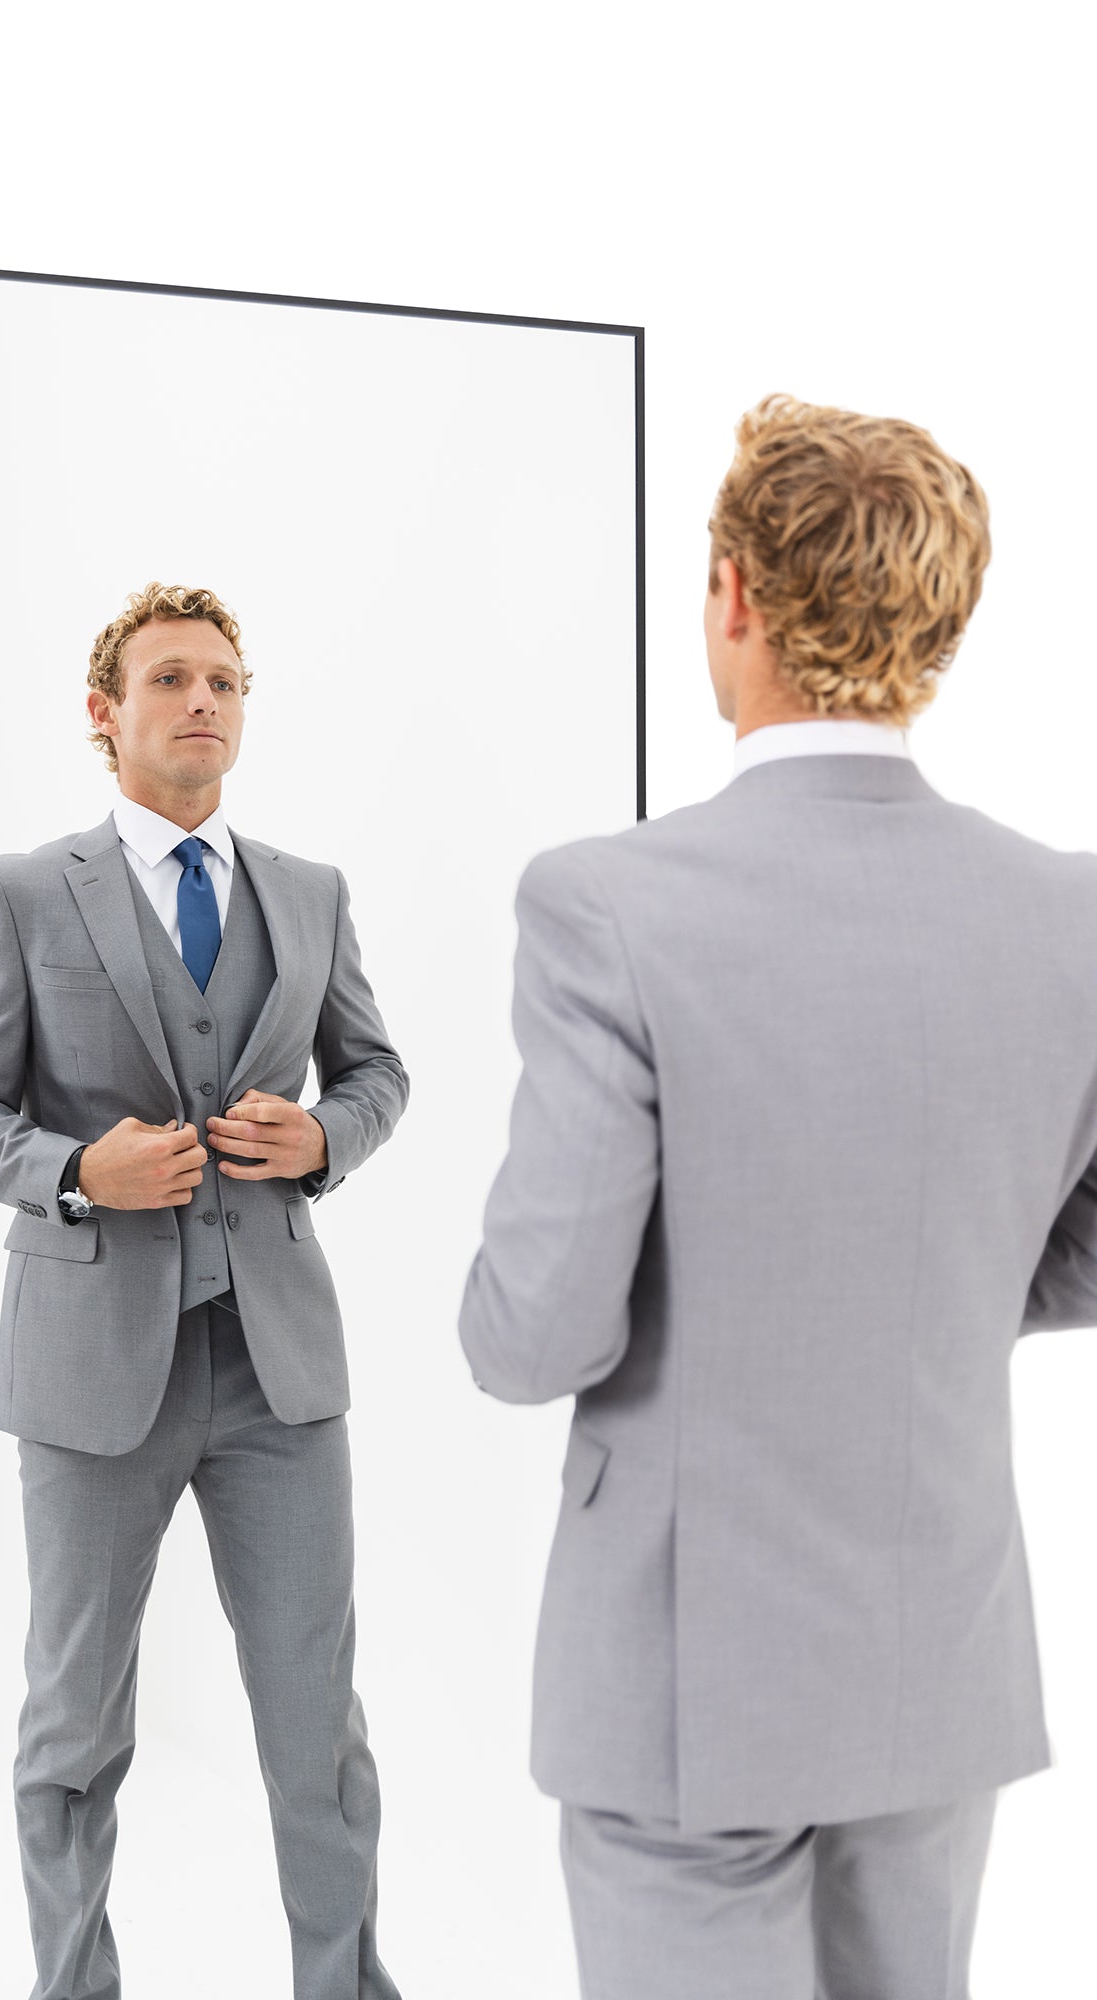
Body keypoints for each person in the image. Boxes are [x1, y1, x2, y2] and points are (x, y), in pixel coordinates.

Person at [459, 394, 1097, 2000]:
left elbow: (533, 1333)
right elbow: (1074, 1257)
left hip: (690, 1682)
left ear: (733, 600)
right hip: (937, 1655)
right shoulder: (1071, 916)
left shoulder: (607, 905)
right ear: (938, 628)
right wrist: (917, 1284)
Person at [0, 581, 407, 2000]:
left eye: (226, 681)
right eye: (171, 679)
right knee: (74, 1724)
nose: (204, 700)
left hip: (280, 1374)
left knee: (318, 1723)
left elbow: (376, 1073)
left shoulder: (309, 894)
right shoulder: (21, 891)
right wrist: (80, 1171)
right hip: (90, 1373)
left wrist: (327, 1138)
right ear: (106, 714)